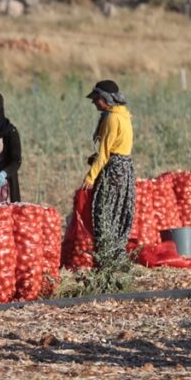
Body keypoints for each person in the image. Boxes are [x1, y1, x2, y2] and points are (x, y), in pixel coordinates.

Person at [82, 79, 135, 269]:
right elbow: (115, 147)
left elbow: (105, 152)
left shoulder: (112, 118)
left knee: (104, 210)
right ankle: (116, 257)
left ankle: (107, 260)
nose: (94, 102)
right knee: (118, 211)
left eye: (96, 98)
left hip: (114, 169)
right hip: (124, 167)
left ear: (105, 99)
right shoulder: (123, 115)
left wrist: (90, 177)